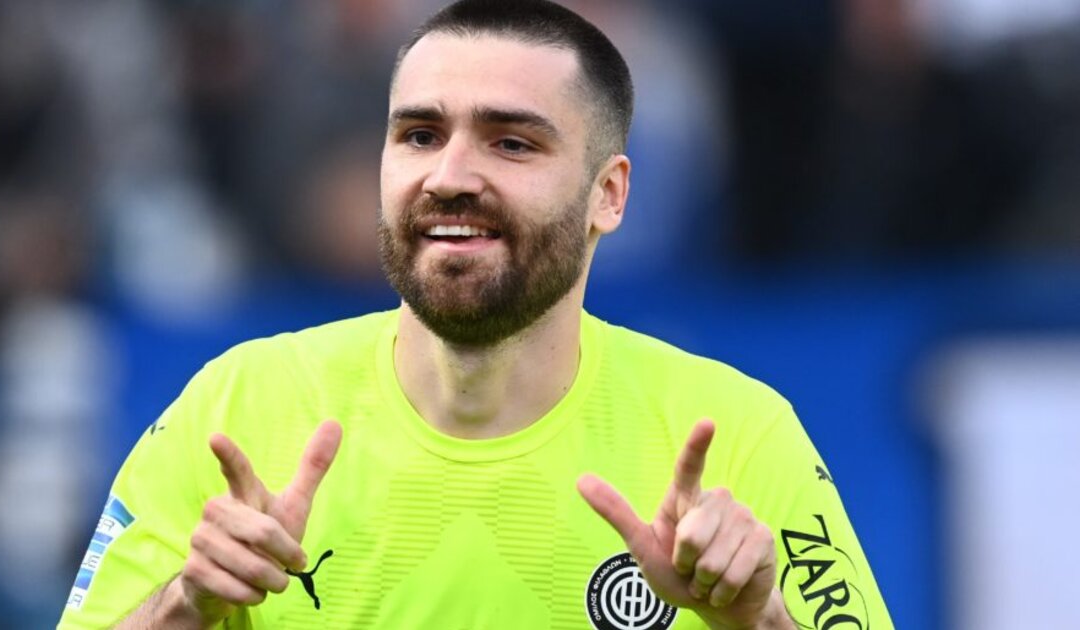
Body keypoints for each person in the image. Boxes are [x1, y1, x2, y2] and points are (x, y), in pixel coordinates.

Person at [59, 1, 892, 628]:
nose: (450, 175)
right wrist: (186, 606)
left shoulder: (738, 437)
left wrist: (757, 622)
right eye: (420, 135)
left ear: (609, 194)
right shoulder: (238, 406)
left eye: (512, 143)